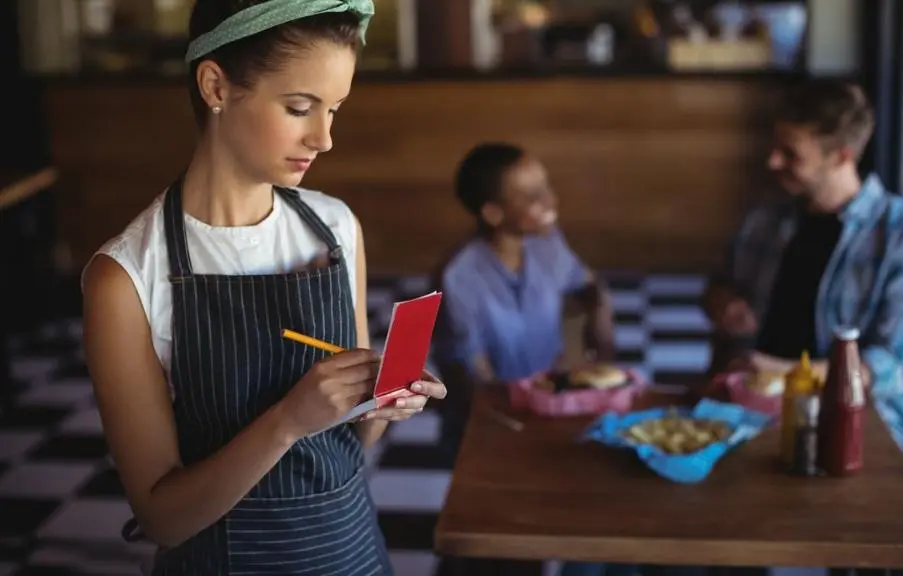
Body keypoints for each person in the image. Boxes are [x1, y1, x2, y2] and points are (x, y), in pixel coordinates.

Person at [81, 1, 446, 574]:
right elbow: (164, 520)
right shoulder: (124, 277)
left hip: (352, 551)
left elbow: (354, 442)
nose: (324, 138)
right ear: (215, 86)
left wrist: (382, 398)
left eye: (335, 109)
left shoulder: (336, 229)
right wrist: (288, 421)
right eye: (299, 107)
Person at [433, 142, 621, 576]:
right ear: (493, 213)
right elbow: (474, 386)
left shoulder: (547, 244)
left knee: (593, 536)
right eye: (533, 197)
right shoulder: (458, 277)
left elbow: (588, 287)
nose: (550, 203)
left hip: (547, 413)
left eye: (547, 188)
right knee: (498, 555)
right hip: (488, 434)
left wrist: (600, 316)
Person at [704, 79, 903, 398]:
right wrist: (723, 302)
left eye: (791, 154)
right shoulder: (764, 217)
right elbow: (718, 286)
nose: (773, 162)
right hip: (745, 404)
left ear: (841, 157)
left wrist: (787, 374)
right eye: (775, 147)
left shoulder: (895, 235)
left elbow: (890, 367)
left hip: (848, 414)